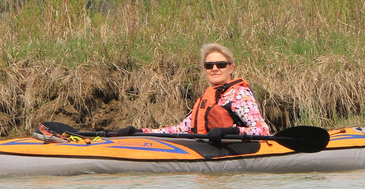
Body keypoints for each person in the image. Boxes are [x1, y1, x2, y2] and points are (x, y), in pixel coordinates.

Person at [115, 43, 271, 142]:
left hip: (238, 150)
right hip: (206, 149)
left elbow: (262, 130)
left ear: (231, 68)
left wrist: (229, 131)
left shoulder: (239, 94)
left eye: (221, 64)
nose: (214, 69)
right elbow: (180, 129)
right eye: (209, 65)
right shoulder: (207, 97)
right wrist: (140, 131)